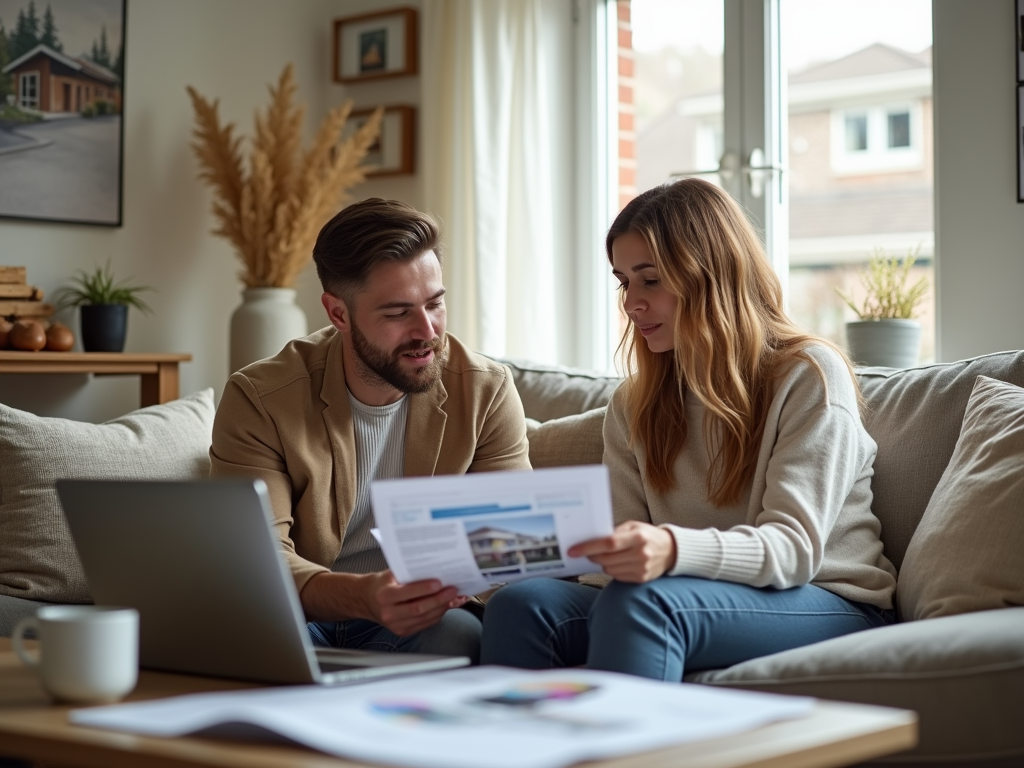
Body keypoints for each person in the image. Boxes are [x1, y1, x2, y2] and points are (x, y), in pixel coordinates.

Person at [480, 178, 897, 680]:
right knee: (523, 604)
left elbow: (793, 550)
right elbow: (611, 567)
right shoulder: (635, 403)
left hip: (824, 598)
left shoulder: (807, 374)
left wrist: (670, 549)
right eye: (623, 281)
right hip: (678, 593)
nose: (631, 303)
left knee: (645, 605)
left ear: (711, 275)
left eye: (650, 279)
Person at [210, 198, 531, 664]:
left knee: (458, 635)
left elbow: (511, 541)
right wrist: (361, 596)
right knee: (249, 636)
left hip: (422, 616)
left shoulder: (486, 390)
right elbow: (256, 557)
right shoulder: (260, 398)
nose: (427, 330)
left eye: (435, 304)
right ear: (338, 314)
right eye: (398, 313)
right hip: (304, 611)